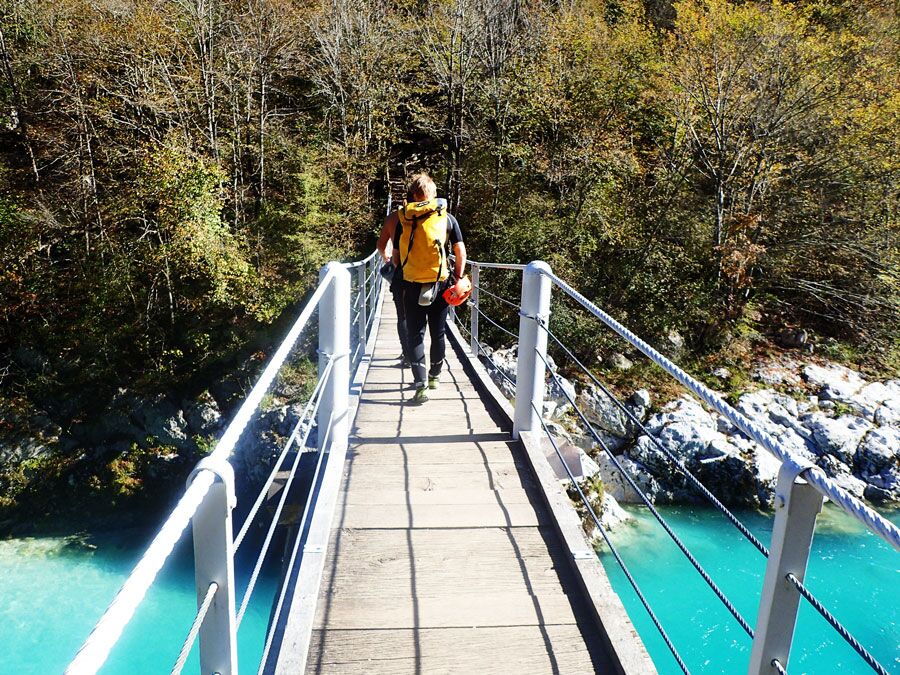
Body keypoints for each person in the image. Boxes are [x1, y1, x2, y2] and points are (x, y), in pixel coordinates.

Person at [388, 173, 466, 404]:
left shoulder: (404, 218)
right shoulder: (447, 219)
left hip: (411, 284)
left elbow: (395, 258)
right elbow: (460, 252)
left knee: (415, 334)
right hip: (440, 282)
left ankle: (421, 385)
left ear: (412, 194)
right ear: (433, 193)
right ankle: (435, 376)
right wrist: (458, 277)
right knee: (438, 331)